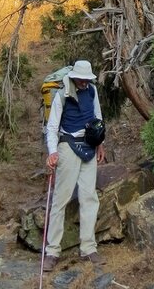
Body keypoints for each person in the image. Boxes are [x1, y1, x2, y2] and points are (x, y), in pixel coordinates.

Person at [42, 60, 106, 272]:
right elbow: (52, 128)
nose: (84, 82)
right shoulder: (62, 94)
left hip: (89, 146)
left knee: (89, 196)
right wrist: (52, 152)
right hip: (68, 146)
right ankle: (52, 251)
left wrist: (100, 144)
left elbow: (97, 118)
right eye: (82, 79)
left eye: (87, 79)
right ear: (75, 77)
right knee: (61, 198)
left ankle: (88, 248)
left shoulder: (92, 91)